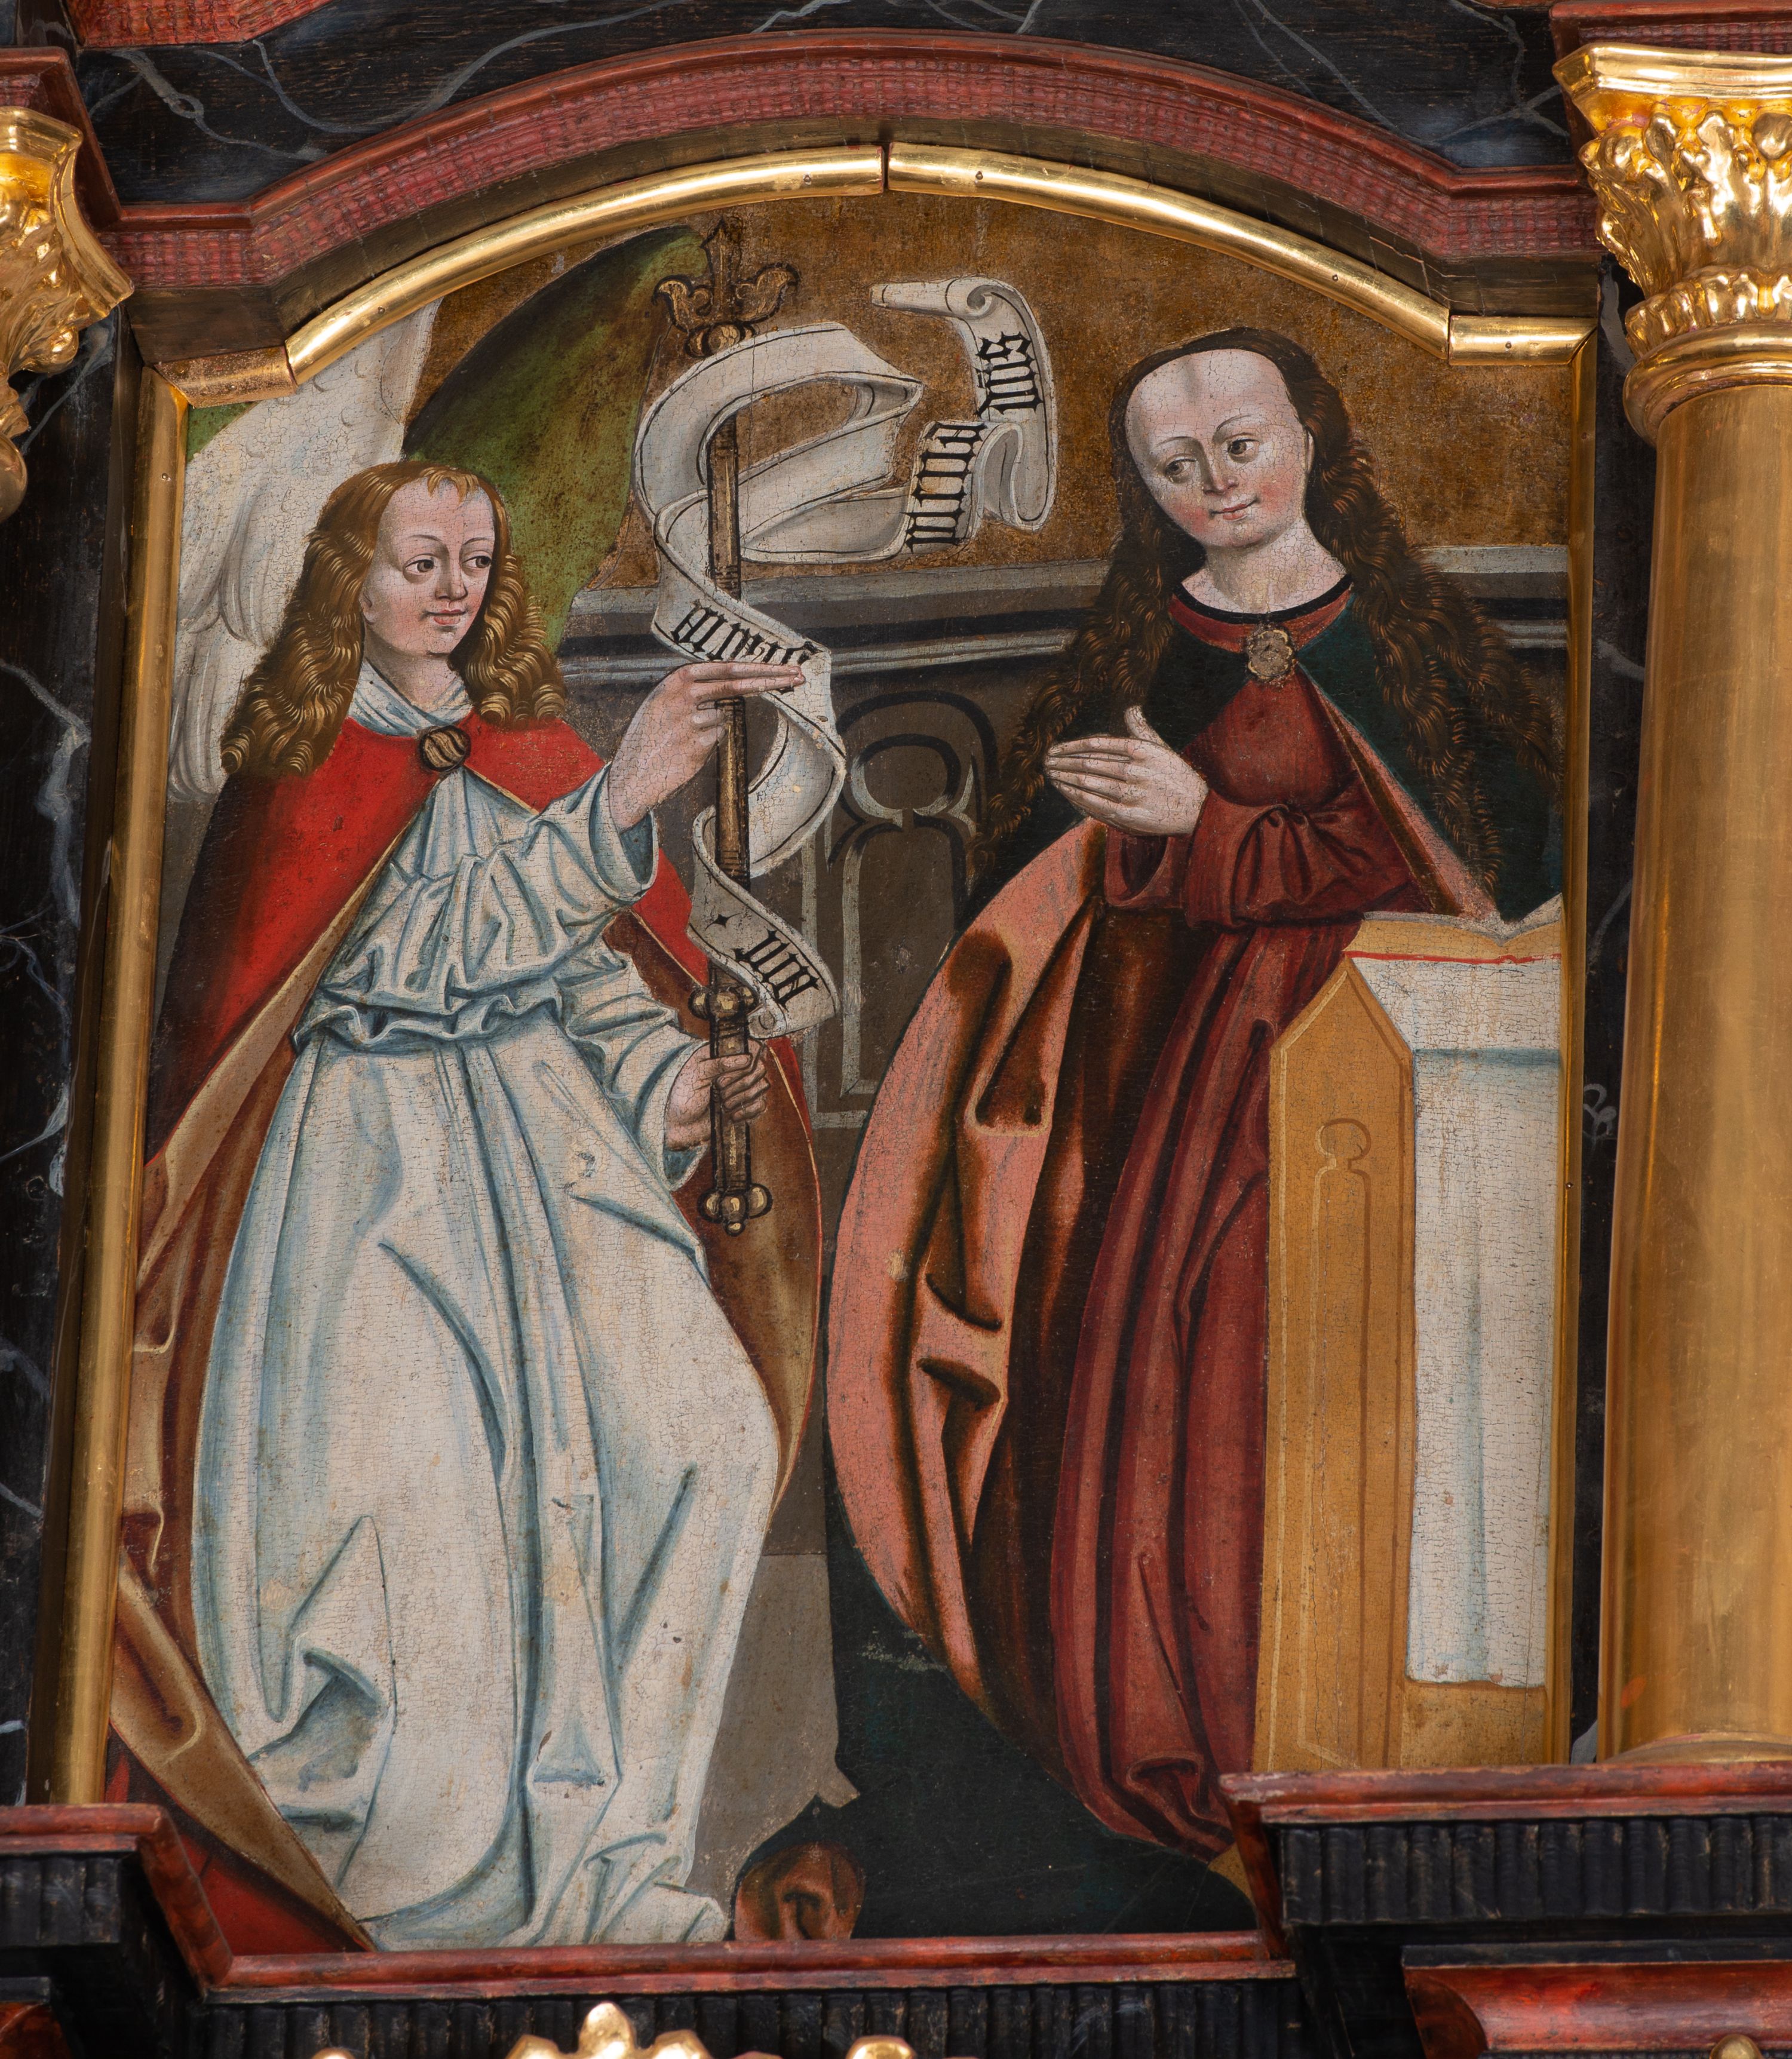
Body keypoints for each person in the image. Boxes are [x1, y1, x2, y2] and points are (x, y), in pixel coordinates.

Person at [827, 330, 1558, 1861]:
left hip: (1385, 1092)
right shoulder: (1138, 661)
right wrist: (1135, 844)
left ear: (1312, 437)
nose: (1216, 483)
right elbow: (1047, 897)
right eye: (1175, 465)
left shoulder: (1409, 654)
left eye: (1241, 443)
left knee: (1323, 1394)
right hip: (1166, 1101)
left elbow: (1469, 876)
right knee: (1160, 1394)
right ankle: (1188, 1738)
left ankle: (1345, 1742)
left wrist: (1204, 825)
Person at [121, 460, 811, 1950]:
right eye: (419, 558)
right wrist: (619, 800)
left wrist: (669, 1084)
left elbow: (581, 972)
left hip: (552, 1149)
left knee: (711, 1437)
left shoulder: (526, 750)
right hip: (373, 1174)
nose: (452, 588)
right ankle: (440, 1893)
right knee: (434, 1516)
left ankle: (617, 1860)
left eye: (476, 560)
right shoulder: (304, 768)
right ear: (348, 581)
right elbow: (398, 961)